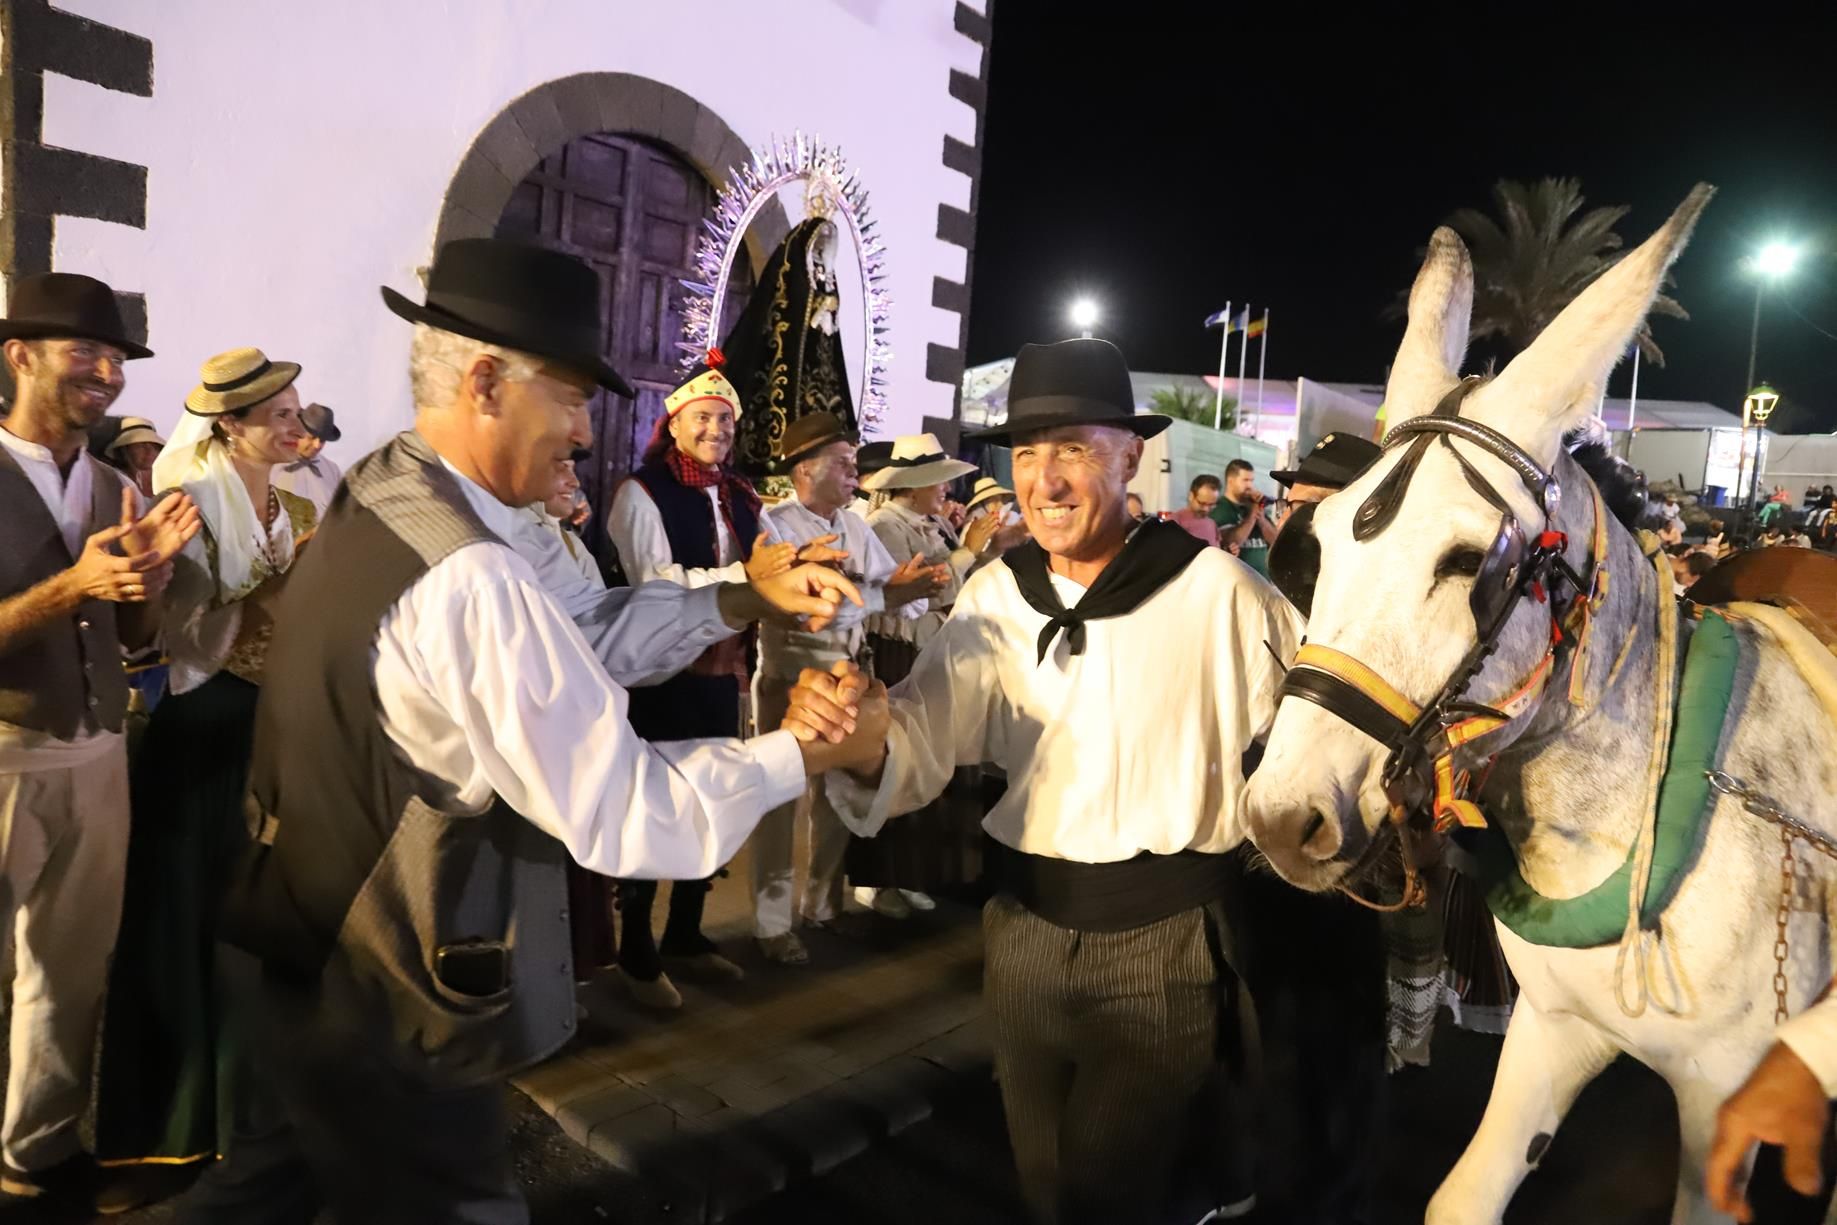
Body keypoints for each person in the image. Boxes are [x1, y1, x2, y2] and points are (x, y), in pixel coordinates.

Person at [210, 237, 883, 1223]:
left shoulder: (390, 486)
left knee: (262, 1189)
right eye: (570, 397)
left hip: (294, 941)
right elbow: (631, 815)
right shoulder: (471, 574)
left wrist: (740, 595)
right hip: (389, 1001)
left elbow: (574, 639)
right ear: (486, 380)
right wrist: (804, 751)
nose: (583, 430)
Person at [785, 338, 1304, 1225]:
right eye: (1027, 452)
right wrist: (857, 731)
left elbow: (1310, 750)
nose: (1045, 479)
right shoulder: (998, 592)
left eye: (1072, 448)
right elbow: (922, 731)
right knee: (1043, 1181)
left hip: (1164, 943)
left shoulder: (1222, 595)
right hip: (1021, 934)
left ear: (1130, 456)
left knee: (1109, 1189)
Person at [93, 348, 316, 1194]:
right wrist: (266, 600)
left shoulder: (291, 500)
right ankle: (158, 1131)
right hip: (200, 722)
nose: (297, 427)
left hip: (264, 720)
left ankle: (238, 1114)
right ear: (232, 425)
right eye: (281, 417)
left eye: (298, 412)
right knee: (177, 928)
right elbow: (165, 631)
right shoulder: (186, 498)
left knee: (245, 926)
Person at [0, 272, 201, 1207]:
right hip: (4, 757)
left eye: (116, 358)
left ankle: (34, 1153)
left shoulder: (119, 483)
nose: (108, 372)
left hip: (97, 750)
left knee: (72, 972)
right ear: (20, 356)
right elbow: (70, 600)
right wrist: (73, 586)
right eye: (86, 352)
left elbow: (132, 638)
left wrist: (149, 575)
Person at [604, 355, 784, 1007]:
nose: (715, 430)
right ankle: (634, 946)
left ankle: (685, 932)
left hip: (723, 665)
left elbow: (767, 562)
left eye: (725, 420)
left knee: (710, 794)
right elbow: (654, 584)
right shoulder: (641, 492)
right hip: (661, 669)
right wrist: (744, 581)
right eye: (703, 417)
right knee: (656, 800)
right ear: (674, 423)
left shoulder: (740, 495)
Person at [750, 413, 944, 963]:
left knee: (836, 799)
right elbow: (814, 612)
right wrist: (889, 592)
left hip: (846, 673)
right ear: (804, 469)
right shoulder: (776, 526)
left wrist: (917, 585)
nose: (853, 473)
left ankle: (822, 905)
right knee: (779, 799)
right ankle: (769, 924)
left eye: (854, 463)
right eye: (842, 463)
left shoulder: (855, 526)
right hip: (791, 678)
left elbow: (903, 594)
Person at [853, 434, 1014, 917]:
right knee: (896, 756)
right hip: (898, 649)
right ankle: (876, 877)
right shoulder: (884, 525)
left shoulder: (934, 523)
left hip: (934, 648)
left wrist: (987, 548)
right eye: (938, 483)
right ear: (915, 485)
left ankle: (911, 872)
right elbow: (924, 589)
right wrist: (968, 551)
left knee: (930, 756)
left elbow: (960, 580)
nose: (946, 491)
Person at [271, 402, 342, 511]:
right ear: (297, 431)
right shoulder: (271, 466)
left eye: (322, 440)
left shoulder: (332, 470)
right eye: (312, 438)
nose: (317, 445)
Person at [1212, 458, 1273, 575]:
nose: (1250, 485)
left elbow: (1275, 541)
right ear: (1230, 481)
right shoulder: (1220, 508)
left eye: (1251, 480)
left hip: (1263, 582)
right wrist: (1252, 516)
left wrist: (1262, 520)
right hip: (1238, 582)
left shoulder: (1254, 506)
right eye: (1245, 480)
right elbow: (1231, 542)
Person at [104, 416, 166, 497]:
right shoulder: (113, 481)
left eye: (154, 445)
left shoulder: (154, 482)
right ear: (123, 450)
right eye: (140, 445)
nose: (149, 450)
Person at [1171, 474, 1223, 546]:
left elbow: (1217, 550)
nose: (1206, 509)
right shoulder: (1174, 521)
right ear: (1191, 496)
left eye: (1211, 505)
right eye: (1202, 503)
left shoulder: (1212, 524)